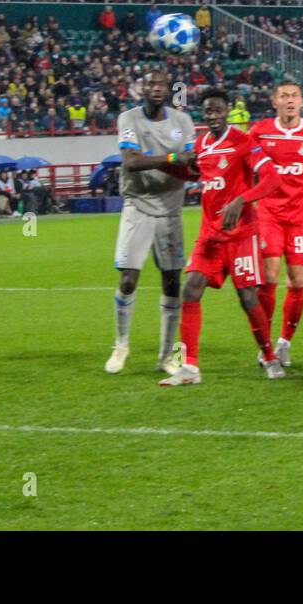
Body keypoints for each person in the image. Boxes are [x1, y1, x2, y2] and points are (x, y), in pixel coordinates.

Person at [160, 90, 285, 386]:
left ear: (228, 111)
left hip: (242, 234)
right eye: (208, 111)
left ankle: (268, 355)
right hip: (210, 235)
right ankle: (189, 367)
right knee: (190, 290)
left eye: (217, 110)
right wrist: (168, 162)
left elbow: (272, 177)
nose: (212, 115)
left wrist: (242, 199)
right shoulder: (201, 144)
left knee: (247, 297)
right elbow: (200, 175)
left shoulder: (244, 142)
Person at [106, 69, 197, 376]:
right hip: (138, 206)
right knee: (128, 279)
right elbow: (130, 163)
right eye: (150, 84)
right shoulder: (128, 119)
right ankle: (121, 346)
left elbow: (192, 166)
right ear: (141, 90)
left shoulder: (182, 122)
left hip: (170, 211)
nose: (156, 88)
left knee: (172, 282)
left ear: (168, 90)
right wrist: (172, 160)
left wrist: (188, 165)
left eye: (161, 84)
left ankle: (165, 357)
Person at [247, 79, 303, 368]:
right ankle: (265, 347)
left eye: (294, 96)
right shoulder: (260, 131)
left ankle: (284, 343)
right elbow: (243, 159)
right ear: (274, 102)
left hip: (301, 218)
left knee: (298, 281)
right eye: (284, 96)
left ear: (302, 102)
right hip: (268, 214)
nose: (289, 100)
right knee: (270, 276)